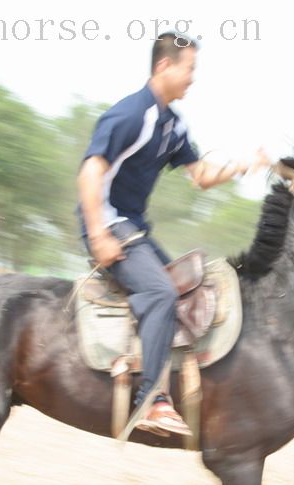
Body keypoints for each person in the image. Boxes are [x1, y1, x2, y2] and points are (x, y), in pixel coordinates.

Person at [77, 32, 270, 436]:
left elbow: (200, 176)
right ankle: (151, 401)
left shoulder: (172, 125)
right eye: (190, 69)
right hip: (110, 223)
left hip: (134, 229)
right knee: (160, 293)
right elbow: (91, 171)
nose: (193, 78)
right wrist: (97, 233)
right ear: (164, 66)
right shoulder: (131, 115)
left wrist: (242, 165)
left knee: (187, 291)